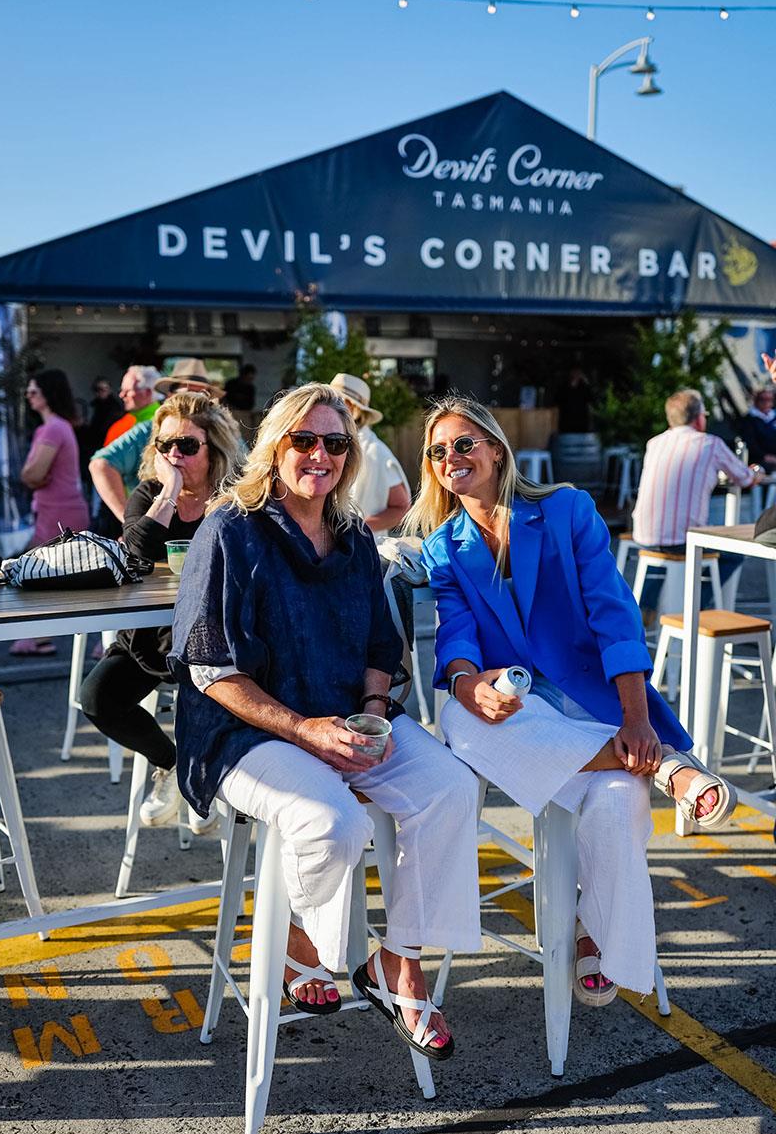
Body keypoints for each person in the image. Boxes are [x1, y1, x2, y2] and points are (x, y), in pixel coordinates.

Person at [169, 383, 481, 1057]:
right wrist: (304, 730)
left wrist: (371, 714)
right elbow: (211, 668)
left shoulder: (351, 536)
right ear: (274, 447)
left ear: (350, 453)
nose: (320, 454)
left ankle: (397, 963)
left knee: (452, 788)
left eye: (334, 443)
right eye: (303, 440)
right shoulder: (231, 529)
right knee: (332, 820)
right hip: (244, 732)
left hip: (345, 717)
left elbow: (378, 646)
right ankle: (298, 938)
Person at [406, 393, 736, 1007]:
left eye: (463, 443)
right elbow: (455, 634)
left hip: (595, 702)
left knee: (614, 804)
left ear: (497, 450)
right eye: (437, 451)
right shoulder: (444, 547)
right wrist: (465, 679)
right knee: (459, 718)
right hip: (520, 714)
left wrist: (636, 719)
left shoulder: (564, 510)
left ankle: (592, 934)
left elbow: (615, 616)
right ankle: (666, 765)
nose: (451, 457)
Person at [80, 391, 242, 834]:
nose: (174, 455)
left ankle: (203, 773)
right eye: (165, 446)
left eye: (187, 446)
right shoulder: (152, 492)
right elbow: (134, 548)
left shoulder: (237, 496)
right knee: (97, 698)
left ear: (214, 450)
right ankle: (173, 763)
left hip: (216, 636)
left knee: (204, 684)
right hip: (152, 635)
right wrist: (170, 491)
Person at [632, 388, 761, 616]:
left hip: (643, 535)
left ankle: (646, 607)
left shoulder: (655, 443)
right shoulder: (710, 444)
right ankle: (693, 608)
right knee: (733, 554)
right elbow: (745, 478)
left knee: (664, 546)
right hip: (683, 540)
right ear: (699, 417)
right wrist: (756, 474)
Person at [89, 360, 223, 536]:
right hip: (157, 535)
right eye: (166, 445)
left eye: (200, 395)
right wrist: (132, 521)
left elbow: (245, 471)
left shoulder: (224, 434)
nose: (192, 401)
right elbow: (100, 465)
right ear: (170, 396)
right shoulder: (151, 428)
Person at [11, 369, 91, 657]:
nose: (28, 397)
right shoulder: (57, 427)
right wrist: (31, 475)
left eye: (33, 392)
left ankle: (37, 636)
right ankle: (39, 636)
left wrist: (31, 475)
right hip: (58, 508)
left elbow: (33, 473)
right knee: (57, 576)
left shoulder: (53, 428)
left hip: (57, 509)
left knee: (39, 576)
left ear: (47, 394)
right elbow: (31, 475)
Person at [329, 373, 411, 544]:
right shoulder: (328, 444)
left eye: (340, 402)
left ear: (355, 410)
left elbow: (401, 507)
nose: (331, 408)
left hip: (364, 549)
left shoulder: (375, 452)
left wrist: (356, 528)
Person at [740, 388, 776, 472]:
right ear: (756, 400)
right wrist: (766, 457)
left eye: (769, 399)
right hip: (763, 462)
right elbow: (750, 443)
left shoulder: (774, 414)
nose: (766, 402)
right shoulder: (749, 420)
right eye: (762, 399)